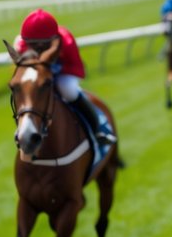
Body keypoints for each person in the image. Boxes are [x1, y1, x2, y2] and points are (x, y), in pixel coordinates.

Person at [13, 9, 116, 147]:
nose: (38, 48)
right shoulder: (21, 44)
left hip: (64, 70)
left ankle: (97, 130)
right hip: (40, 72)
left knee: (68, 89)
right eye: (33, 44)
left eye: (43, 45)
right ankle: (23, 128)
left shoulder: (66, 41)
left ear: (53, 40)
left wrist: (51, 74)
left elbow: (74, 64)